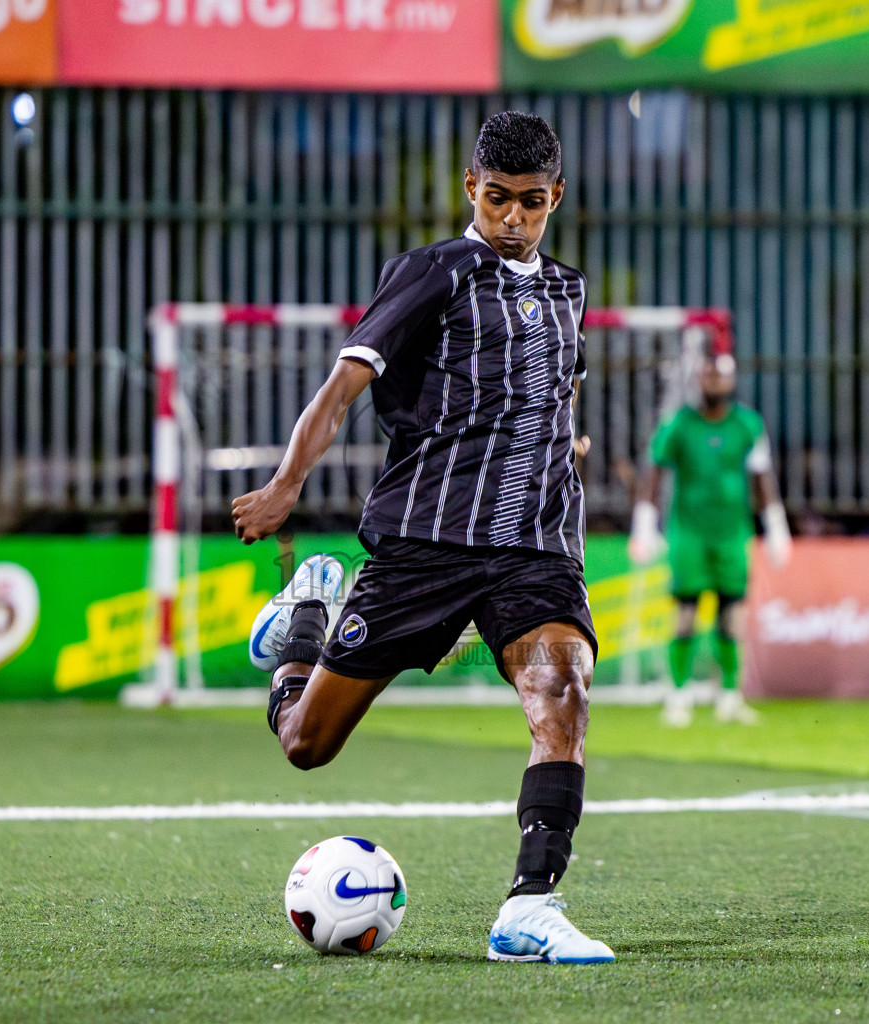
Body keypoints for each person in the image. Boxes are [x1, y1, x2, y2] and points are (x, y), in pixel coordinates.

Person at [232, 112, 613, 965]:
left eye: (532, 202)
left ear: (556, 198)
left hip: (535, 543)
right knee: (306, 745)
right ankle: (305, 617)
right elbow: (344, 384)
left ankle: (531, 909)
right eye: (498, 198)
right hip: (425, 540)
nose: (514, 216)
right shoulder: (433, 271)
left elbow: (559, 391)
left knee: (564, 694)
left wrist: (562, 441)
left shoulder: (569, 291)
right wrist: (289, 483)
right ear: (470, 189)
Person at [628, 352, 791, 727]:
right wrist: (645, 522)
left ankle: (730, 695)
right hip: (690, 534)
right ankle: (679, 694)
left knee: (731, 616)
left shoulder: (747, 425)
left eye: (720, 377)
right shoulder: (680, 425)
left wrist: (775, 525)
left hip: (733, 533)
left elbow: (761, 477)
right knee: (684, 614)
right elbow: (656, 472)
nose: (713, 384)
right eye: (708, 377)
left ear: (731, 381)